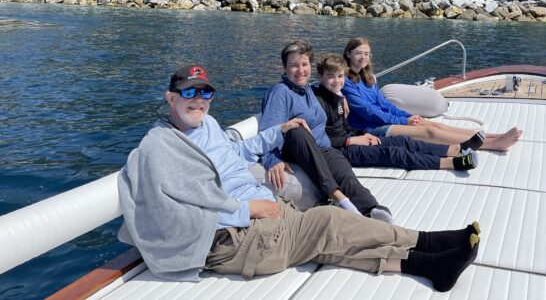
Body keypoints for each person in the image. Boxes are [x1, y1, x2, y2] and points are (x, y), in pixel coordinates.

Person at [117, 64, 481, 292]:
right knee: (328, 221)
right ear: (170, 98)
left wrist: (280, 132)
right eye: (189, 93)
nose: (198, 100)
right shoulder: (159, 147)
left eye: (205, 93)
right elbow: (170, 212)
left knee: (328, 242)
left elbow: (239, 153)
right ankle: (430, 241)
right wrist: (248, 210)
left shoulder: (208, 125)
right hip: (231, 241)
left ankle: (428, 265)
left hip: (262, 212)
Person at [259, 40, 393, 223]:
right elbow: (267, 130)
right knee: (297, 129)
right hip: (297, 148)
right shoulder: (280, 92)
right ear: (284, 67)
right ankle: (338, 198)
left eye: (304, 64)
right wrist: (272, 159)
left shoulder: (306, 89)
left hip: (323, 147)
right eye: (294, 65)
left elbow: (324, 87)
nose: (300, 70)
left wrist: (340, 97)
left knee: (346, 175)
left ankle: (372, 210)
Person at [342, 37, 523, 151]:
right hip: (369, 128)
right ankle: (491, 145)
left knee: (430, 123)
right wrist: (405, 122)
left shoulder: (368, 79)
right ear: (349, 54)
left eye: (367, 54)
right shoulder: (346, 82)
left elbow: (385, 105)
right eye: (359, 53)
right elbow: (368, 112)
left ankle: (491, 136)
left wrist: (410, 116)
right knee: (429, 131)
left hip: (382, 120)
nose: (363, 57)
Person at [314, 54, 478, 171]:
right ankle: (452, 163)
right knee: (394, 153)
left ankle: (455, 150)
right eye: (331, 76)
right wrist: (351, 141)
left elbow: (344, 127)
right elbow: (319, 139)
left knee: (403, 142)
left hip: (353, 138)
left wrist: (362, 135)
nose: (337, 81)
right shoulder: (318, 102)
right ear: (320, 77)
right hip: (341, 150)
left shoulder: (338, 97)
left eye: (340, 76)